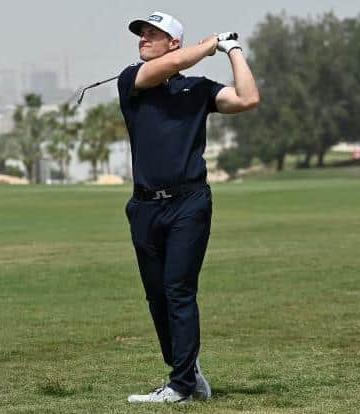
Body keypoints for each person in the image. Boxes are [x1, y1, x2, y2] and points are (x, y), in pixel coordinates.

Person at [118, 11, 260, 403]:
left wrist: (232, 50)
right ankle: (186, 369)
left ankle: (180, 385)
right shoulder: (132, 80)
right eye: (141, 33)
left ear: (173, 41)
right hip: (145, 207)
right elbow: (175, 64)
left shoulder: (197, 90)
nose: (143, 38)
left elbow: (248, 98)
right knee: (157, 296)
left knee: (178, 289)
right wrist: (208, 45)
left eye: (153, 33)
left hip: (189, 203)